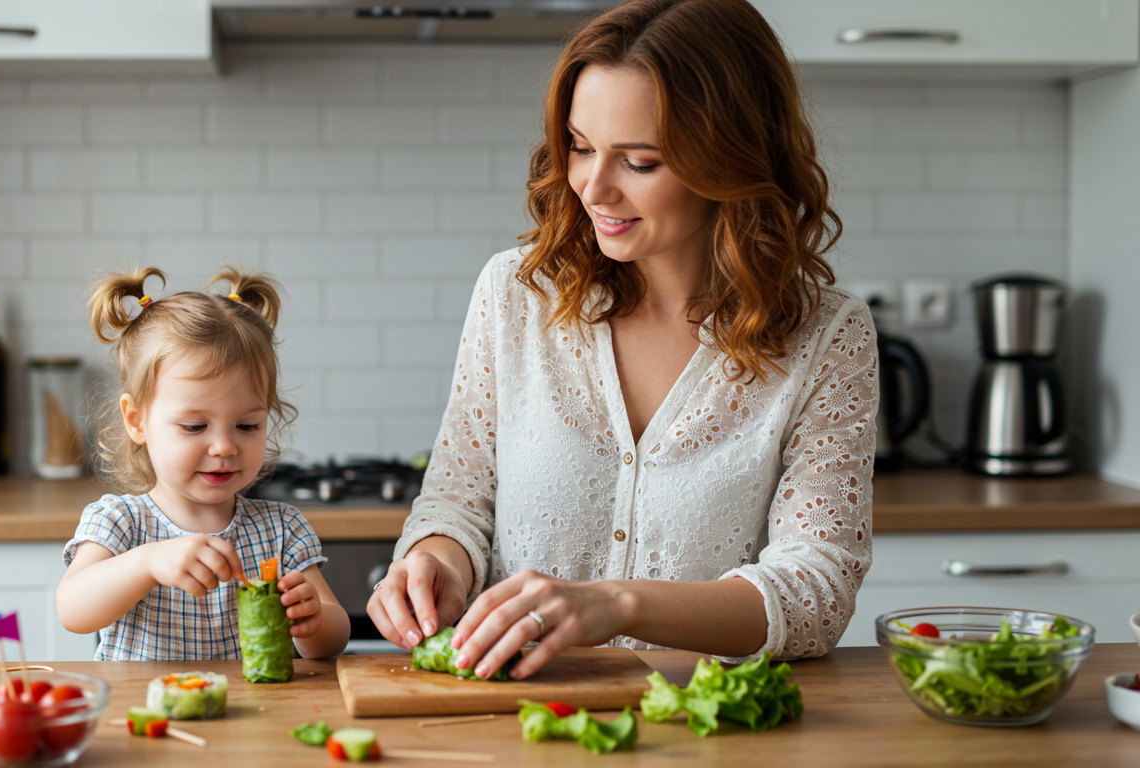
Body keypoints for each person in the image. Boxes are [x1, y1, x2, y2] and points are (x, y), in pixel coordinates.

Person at [368, 0, 876, 680]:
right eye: (580, 147)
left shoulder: (827, 335)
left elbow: (817, 593)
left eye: (639, 161)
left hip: (708, 731)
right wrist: (436, 559)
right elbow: (459, 500)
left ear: (732, 159)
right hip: (513, 722)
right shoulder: (516, 294)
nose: (593, 188)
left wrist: (618, 604)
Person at [57, 266, 350, 660]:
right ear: (136, 420)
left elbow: (332, 640)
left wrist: (313, 619)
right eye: (195, 426)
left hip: (253, 718)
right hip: (148, 718)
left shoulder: (281, 530)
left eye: (247, 425)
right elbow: (72, 610)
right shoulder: (120, 522)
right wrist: (147, 563)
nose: (225, 447)